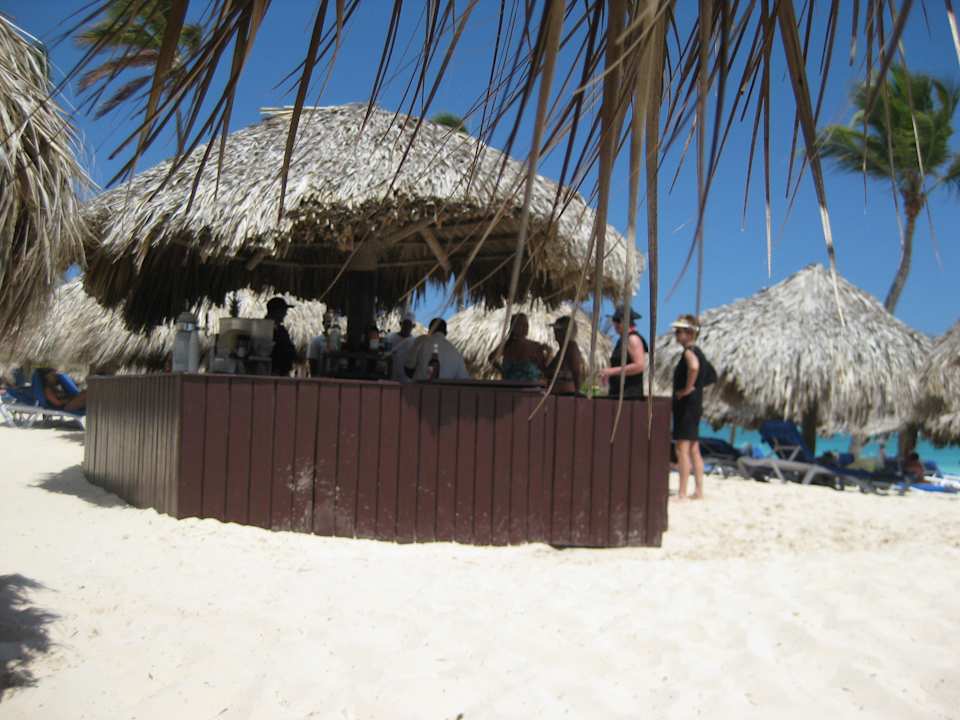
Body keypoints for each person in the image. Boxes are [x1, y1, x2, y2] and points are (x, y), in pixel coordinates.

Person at [671, 314, 709, 501]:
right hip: (695, 405)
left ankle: (682, 492)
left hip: (686, 406)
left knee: (682, 449)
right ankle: (699, 491)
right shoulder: (699, 351)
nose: (676, 335)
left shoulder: (688, 352)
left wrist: (686, 389)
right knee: (694, 449)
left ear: (689, 333)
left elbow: (693, 367)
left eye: (679, 331)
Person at [599, 308, 647, 398]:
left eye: (617, 321)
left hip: (629, 397)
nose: (615, 324)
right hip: (619, 394)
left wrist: (611, 371)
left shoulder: (632, 339)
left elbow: (639, 365)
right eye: (614, 320)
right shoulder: (623, 340)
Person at [487, 313, 548, 382]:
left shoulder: (535, 346)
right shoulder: (506, 345)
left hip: (531, 388)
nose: (525, 327)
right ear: (513, 327)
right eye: (521, 324)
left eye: (526, 324)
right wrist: (503, 371)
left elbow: (543, 369)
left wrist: (548, 354)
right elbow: (491, 358)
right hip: (510, 387)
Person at [404, 318, 471, 381]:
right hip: (444, 392)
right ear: (446, 333)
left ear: (429, 330)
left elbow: (408, 367)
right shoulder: (455, 352)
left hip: (418, 389)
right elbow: (463, 378)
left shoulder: (421, 341)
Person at [543, 315, 585, 394]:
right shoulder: (562, 350)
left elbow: (577, 373)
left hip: (566, 396)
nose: (555, 332)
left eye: (558, 329)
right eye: (555, 329)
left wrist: (578, 395)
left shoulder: (571, 347)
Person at [265, 296, 298, 376]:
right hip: (273, 372)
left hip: (283, 372)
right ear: (276, 311)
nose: (285, 313)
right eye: (283, 310)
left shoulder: (280, 329)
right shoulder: (265, 329)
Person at [389, 311, 419, 383]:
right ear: (400, 324)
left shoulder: (415, 342)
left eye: (409, 325)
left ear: (413, 326)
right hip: (391, 377)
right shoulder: (390, 338)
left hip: (406, 381)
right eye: (405, 324)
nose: (407, 327)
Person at [307, 311, 339, 377]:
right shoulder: (316, 341)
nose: (330, 325)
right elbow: (312, 361)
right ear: (323, 324)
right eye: (328, 322)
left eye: (331, 322)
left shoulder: (337, 343)